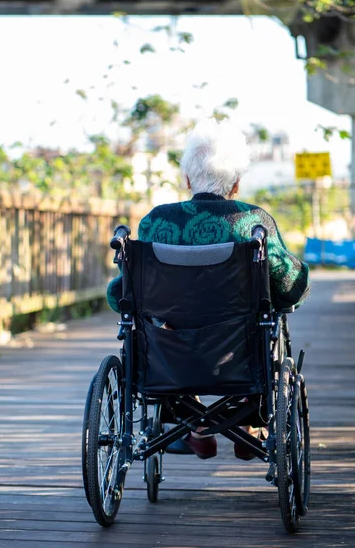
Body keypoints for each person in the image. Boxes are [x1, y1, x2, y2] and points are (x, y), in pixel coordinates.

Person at [107, 119, 310, 460]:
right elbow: (290, 288)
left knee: (159, 325)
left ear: (187, 179)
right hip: (240, 358)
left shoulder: (156, 223)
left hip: (170, 358)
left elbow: (120, 296)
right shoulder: (253, 222)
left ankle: (194, 424)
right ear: (236, 184)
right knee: (264, 326)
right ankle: (248, 422)